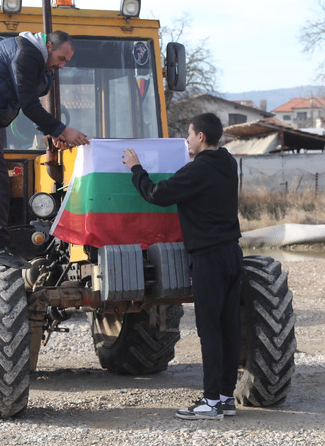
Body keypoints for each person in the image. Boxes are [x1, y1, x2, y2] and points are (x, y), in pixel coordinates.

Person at [121, 112, 243, 421]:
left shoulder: (198, 171)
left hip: (209, 259)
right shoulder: (228, 163)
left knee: (210, 330)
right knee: (229, 328)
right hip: (232, 254)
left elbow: (156, 195)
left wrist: (136, 168)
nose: (186, 141)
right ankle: (227, 398)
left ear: (201, 137)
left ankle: (211, 401)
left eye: (189, 135)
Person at [0, 30, 89, 269]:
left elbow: (32, 100)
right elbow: (28, 105)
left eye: (66, 62)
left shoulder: (39, 61)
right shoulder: (26, 55)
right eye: (61, 59)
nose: (62, 66)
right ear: (49, 46)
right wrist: (62, 129)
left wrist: (52, 131)